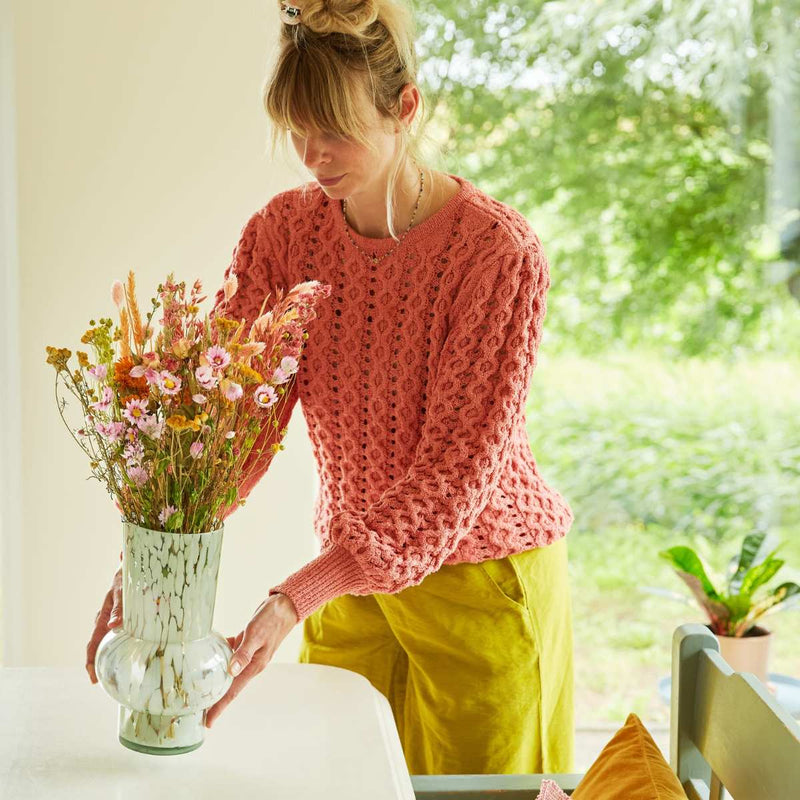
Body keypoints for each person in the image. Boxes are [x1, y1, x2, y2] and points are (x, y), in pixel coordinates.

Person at [86, 0, 576, 775]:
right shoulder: (285, 236)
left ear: (404, 108)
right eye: (299, 129)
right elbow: (231, 425)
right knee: (338, 782)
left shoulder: (497, 254)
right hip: (349, 581)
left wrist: (293, 598)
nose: (315, 155)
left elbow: (456, 474)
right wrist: (150, 567)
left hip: (481, 586)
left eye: (336, 129)